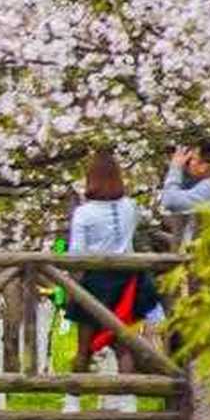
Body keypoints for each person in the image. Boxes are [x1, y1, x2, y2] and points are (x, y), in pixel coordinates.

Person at [67, 150, 159, 383]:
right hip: (128, 282)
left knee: (84, 348)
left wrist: (70, 287)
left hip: (95, 283)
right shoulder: (131, 206)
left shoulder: (84, 213)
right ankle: (126, 401)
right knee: (124, 345)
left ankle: (73, 400)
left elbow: (76, 254)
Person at [158, 137, 210, 245]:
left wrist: (175, 168)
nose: (190, 163)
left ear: (204, 166)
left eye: (194, 159)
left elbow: (169, 201)